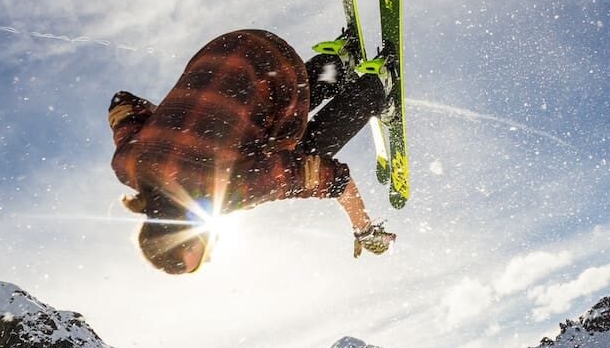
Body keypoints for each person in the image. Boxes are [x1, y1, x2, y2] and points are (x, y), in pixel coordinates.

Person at [108, 29, 397, 274]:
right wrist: (179, 125)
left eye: (201, 253)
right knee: (255, 122)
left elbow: (329, 178)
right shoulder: (128, 165)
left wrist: (364, 230)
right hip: (229, 47)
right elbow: (121, 102)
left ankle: (375, 88)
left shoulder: (229, 189)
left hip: (282, 67)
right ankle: (338, 63)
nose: (210, 256)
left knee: (300, 152)